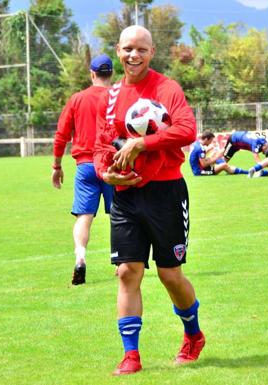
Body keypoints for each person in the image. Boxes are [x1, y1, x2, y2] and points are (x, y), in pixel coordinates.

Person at [93, 25, 204, 376]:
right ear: (117, 50)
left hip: (166, 193)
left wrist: (142, 143)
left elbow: (187, 130)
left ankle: (193, 334)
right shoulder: (110, 97)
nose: (133, 55)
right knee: (127, 272)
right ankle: (131, 355)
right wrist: (105, 173)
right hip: (125, 195)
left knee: (170, 275)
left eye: (140, 49)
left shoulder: (166, 89)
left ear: (151, 52)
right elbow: (100, 146)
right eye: (127, 49)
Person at [52, 54, 115, 285]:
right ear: (112, 74)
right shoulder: (117, 97)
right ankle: (121, 262)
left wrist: (57, 166)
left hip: (86, 166)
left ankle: (80, 257)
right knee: (119, 216)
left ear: (92, 73)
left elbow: (61, 135)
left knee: (83, 217)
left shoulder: (77, 99)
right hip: (112, 164)